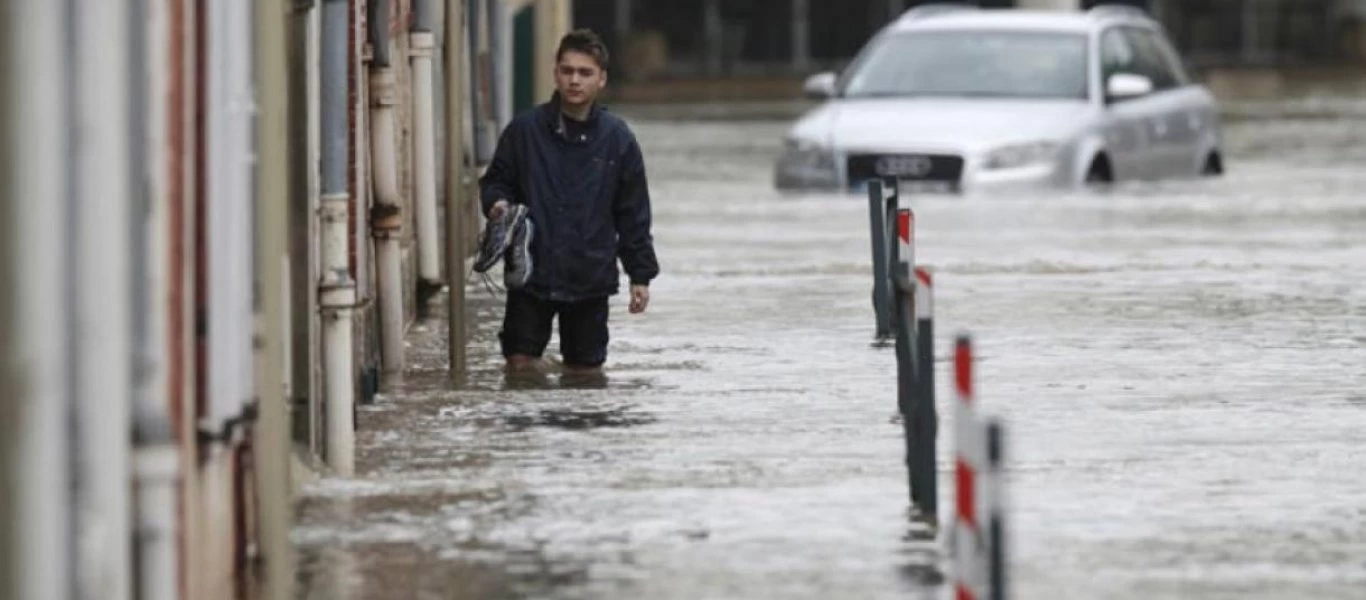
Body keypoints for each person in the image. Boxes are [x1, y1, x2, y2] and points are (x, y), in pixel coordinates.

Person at [475, 28, 659, 377]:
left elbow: (633, 214)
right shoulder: (524, 131)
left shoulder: (618, 140)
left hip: (590, 277)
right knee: (520, 366)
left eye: (585, 73)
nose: (575, 80)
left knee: (586, 374)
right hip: (532, 274)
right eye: (567, 71)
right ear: (556, 74)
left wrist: (641, 275)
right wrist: (497, 204)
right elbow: (496, 180)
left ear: (601, 79)